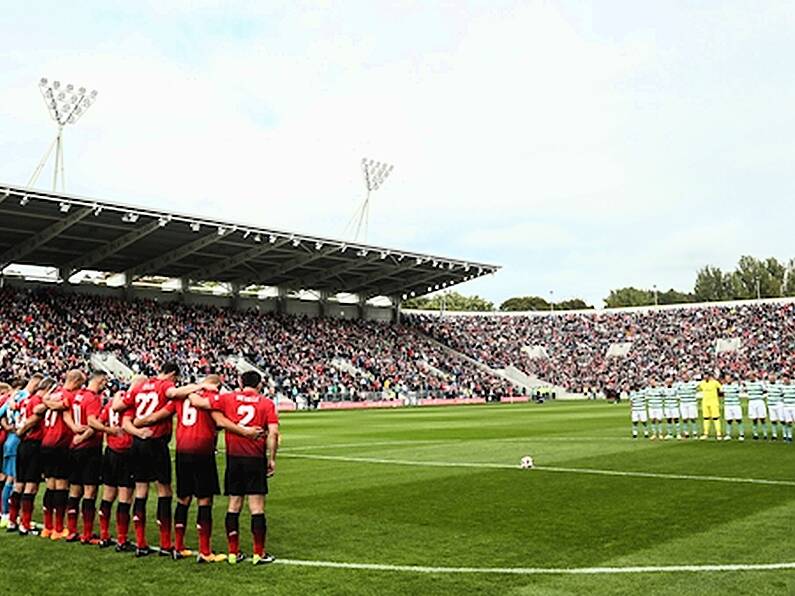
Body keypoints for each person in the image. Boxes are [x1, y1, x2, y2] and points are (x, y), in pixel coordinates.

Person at [135, 374, 232, 563]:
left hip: (182, 451)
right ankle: (205, 551)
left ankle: (178, 547)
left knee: (183, 498)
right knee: (204, 500)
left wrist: (139, 423)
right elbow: (219, 421)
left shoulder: (181, 398)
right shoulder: (211, 396)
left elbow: (161, 414)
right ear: (216, 385)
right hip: (202, 451)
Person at [112, 362, 204, 558]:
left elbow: (119, 407)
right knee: (164, 490)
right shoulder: (164, 386)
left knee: (140, 490)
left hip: (137, 443)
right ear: (172, 374)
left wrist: (137, 424)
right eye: (175, 379)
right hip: (155, 442)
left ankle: (140, 543)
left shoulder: (138, 389)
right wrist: (198, 386)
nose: (175, 383)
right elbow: (171, 396)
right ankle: (164, 543)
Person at [211, 370, 279, 566]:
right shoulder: (266, 403)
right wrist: (271, 459)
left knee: (234, 505)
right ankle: (259, 553)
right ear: (259, 385)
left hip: (234, 458)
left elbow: (209, 408)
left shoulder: (228, 398)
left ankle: (233, 552)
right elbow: (273, 434)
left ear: (241, 383)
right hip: (255, 458)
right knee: (256, 507)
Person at [94, 377, 150, 551]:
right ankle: (122, 539)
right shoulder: (130, 402)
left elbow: (99, 421)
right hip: (125, 451)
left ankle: (104, 536)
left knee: (108, 494)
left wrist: (107, 431)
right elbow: (128, 424)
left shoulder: (112, 402)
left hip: (110, 451)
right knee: (125, 496)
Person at [41, 370, 86, 540]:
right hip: (60, 443)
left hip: (46, 442)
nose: (81, 387)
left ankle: (48, 527)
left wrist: (46, 400)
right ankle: (58, 528)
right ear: (74, 381)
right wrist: (75, 428)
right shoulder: (68, 395)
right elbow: (64, 410)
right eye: (81, 383)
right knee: (61, 485)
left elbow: (48, 403)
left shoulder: (54, 393)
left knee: (50, 484)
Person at [63, 371, 107, 543]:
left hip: (74, 449)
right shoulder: (93, 398)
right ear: (100, 380)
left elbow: (66, 414)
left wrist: (74, 430)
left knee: (75, 490)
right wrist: (82, 436)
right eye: (104, 382)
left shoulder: (77, 395)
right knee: (90, 491)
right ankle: (87, 534)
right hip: (89, 449)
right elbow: (92, 423)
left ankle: (72, 530)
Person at [15, 377, 56, 535]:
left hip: (24, 445)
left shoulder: (27, 400)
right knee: (31, 486)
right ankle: (25, 524)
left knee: (20, 483)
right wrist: (22, 430)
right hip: (33, 445)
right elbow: (33, 419)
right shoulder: (38, 401)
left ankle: (14, 519)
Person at [698, 372, 722, 440]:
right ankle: (706, 433)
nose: (705, 377)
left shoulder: (715, 382)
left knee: (716, 418)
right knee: (706, 418)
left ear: (709, 376)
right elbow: (697, 388)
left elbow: (721, 389)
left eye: (706, 376)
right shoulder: (702, 383)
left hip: (714, 402)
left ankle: (718, 434)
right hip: (705, 402)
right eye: (704, 376)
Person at [744, 372, 768, 441]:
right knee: (754, 419)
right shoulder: (747, 384)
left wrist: (762, 396)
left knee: (762, 418)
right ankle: (755, 434)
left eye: (752, 376)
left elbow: (765, 390)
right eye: (749, 377)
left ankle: (765, 434)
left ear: (755, 376)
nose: (751, 378)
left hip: (759, 401)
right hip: (751, 402)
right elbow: (744, 390)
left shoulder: (760, 383)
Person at [676, 372, 699, 439]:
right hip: (683, 403)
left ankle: (695, 433)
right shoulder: (679, 385)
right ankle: (686, 433)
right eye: (683, 377)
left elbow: (699, 386)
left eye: (686, 377)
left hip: (692, 403)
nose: (685, 378)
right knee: (684, 419)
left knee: (692, 418)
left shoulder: (693, 384)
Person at [722, 375, 744, 441]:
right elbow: (721, 392)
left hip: (736, 405)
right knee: (729, 420)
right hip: (727, 405)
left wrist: (740, 382)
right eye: (726, 379)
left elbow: (741, 389)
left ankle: (741, 434)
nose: (727, 380)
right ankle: (728, 434)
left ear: (731, 379)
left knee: (738, 419)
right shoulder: (724, 386)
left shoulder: (736, 385)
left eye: (729, 378)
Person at [765, 375, 784, 441]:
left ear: (775, 379)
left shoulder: (779, 386)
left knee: (782, 420)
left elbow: (783, 394)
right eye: (770, 379)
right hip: (771, 405)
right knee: (773, 421)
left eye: (773, 378)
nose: (771, 380)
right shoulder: (767, 386)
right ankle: (774, 435)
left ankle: (785, 435)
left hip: (778, 404)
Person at [781, 376, 795, 444]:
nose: (785, 381)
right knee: (788, 422)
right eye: (784, 380)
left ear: (789, 380)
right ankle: (789, 437)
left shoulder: (793, 386)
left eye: (786, 380)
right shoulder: (782, 388)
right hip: (786, 407)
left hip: (793, 406)